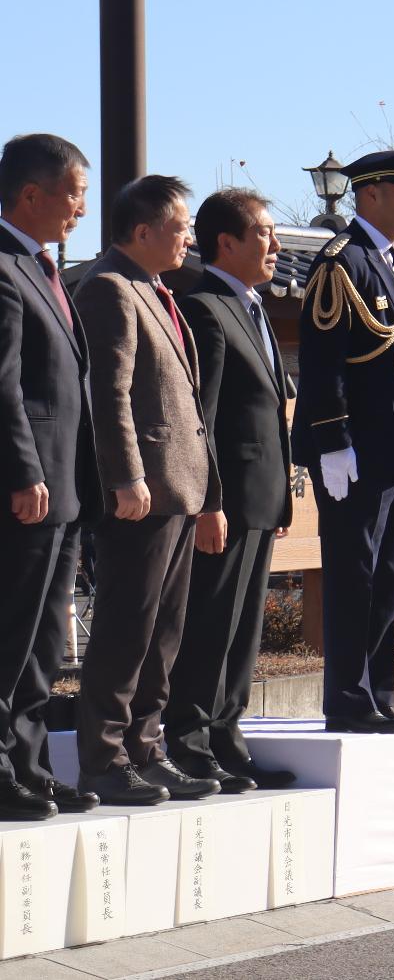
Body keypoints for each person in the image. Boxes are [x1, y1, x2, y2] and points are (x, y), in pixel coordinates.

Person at [73, 176, 224, 804]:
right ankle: (104, 760)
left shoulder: (155, 289)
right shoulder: (109, 286)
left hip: (180, 489)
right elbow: (110, 395)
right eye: (180, 225)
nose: (189, 235)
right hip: (144, 490)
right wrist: (126, 477)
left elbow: (188, 407)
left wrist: (209, 493)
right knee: (127, 628)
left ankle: (146, 748)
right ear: (142, 231)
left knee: (164, 630)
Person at [293, 146, 394, 734]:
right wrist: (331, 439)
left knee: (389, 578)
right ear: (368, 193)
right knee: (354, 576)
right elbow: (323, 361)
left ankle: (378, 693)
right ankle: (348, 700)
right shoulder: (341, 263)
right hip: (354, 452)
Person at [163, 189, 297, 794]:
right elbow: (203, 419)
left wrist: (283, 498)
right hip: (226, 500)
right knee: (212, 624)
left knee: (243, 631)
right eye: (264, 233)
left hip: (261, 496)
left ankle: (228, 740)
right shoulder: (206, 308)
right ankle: (190, 743)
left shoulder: (253, 306)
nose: (275, 244)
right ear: (227, 242)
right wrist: (210, 501)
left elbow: (270, 409)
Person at [0, 133, 99, 820]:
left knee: (44, 643)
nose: (81, 210)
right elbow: (4, 386)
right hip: (26, 489)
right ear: (31, 194)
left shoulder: (44, 267)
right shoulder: (5, 267)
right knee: (11, 636)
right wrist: (23, 469)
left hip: (62, 488)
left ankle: (30, 769)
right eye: (74, 193)